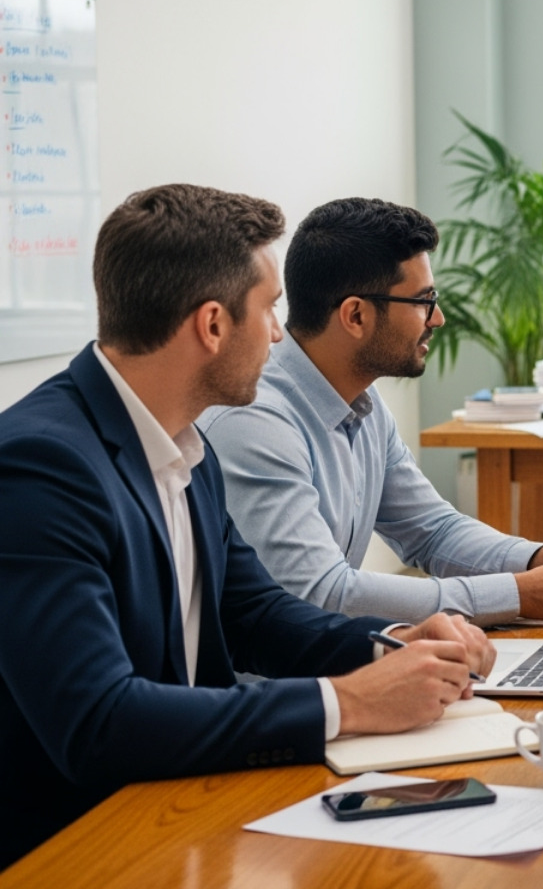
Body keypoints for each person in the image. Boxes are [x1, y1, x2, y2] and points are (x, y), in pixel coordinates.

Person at [0, 185, 497, 867]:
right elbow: (99, 722)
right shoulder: (41, 466)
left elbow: (256, 614)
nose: (278, 332)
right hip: (79, 847)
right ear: (212, 325)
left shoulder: (186, 443)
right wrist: (346, 702)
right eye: (268, 309)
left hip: (186, 805)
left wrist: (390, 646)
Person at [200, 199, 543, 624]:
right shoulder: (255, 422)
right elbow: (320, 595)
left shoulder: (364, 404)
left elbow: (432, 530)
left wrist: (542, 560)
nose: (438, 318)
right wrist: (522, 594)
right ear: (356, 316)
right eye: (423, 301)